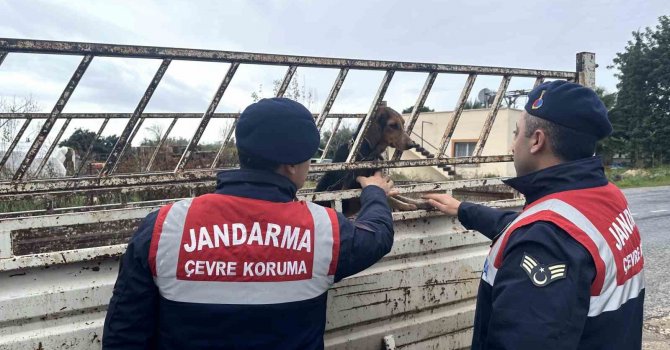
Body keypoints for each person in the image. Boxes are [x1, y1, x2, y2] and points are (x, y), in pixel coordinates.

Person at [103, 98, 398, 350]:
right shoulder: (322, 229)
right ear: (292, 165)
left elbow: (124, 333)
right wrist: (374, 191)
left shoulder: (165, 226)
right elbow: (377, 236)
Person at [424, 81, 644, 350]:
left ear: (537, 141)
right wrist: (463, 209)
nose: (512, 145)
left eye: (516, 134)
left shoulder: (544, 243)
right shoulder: (605, 196)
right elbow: (536, 226)